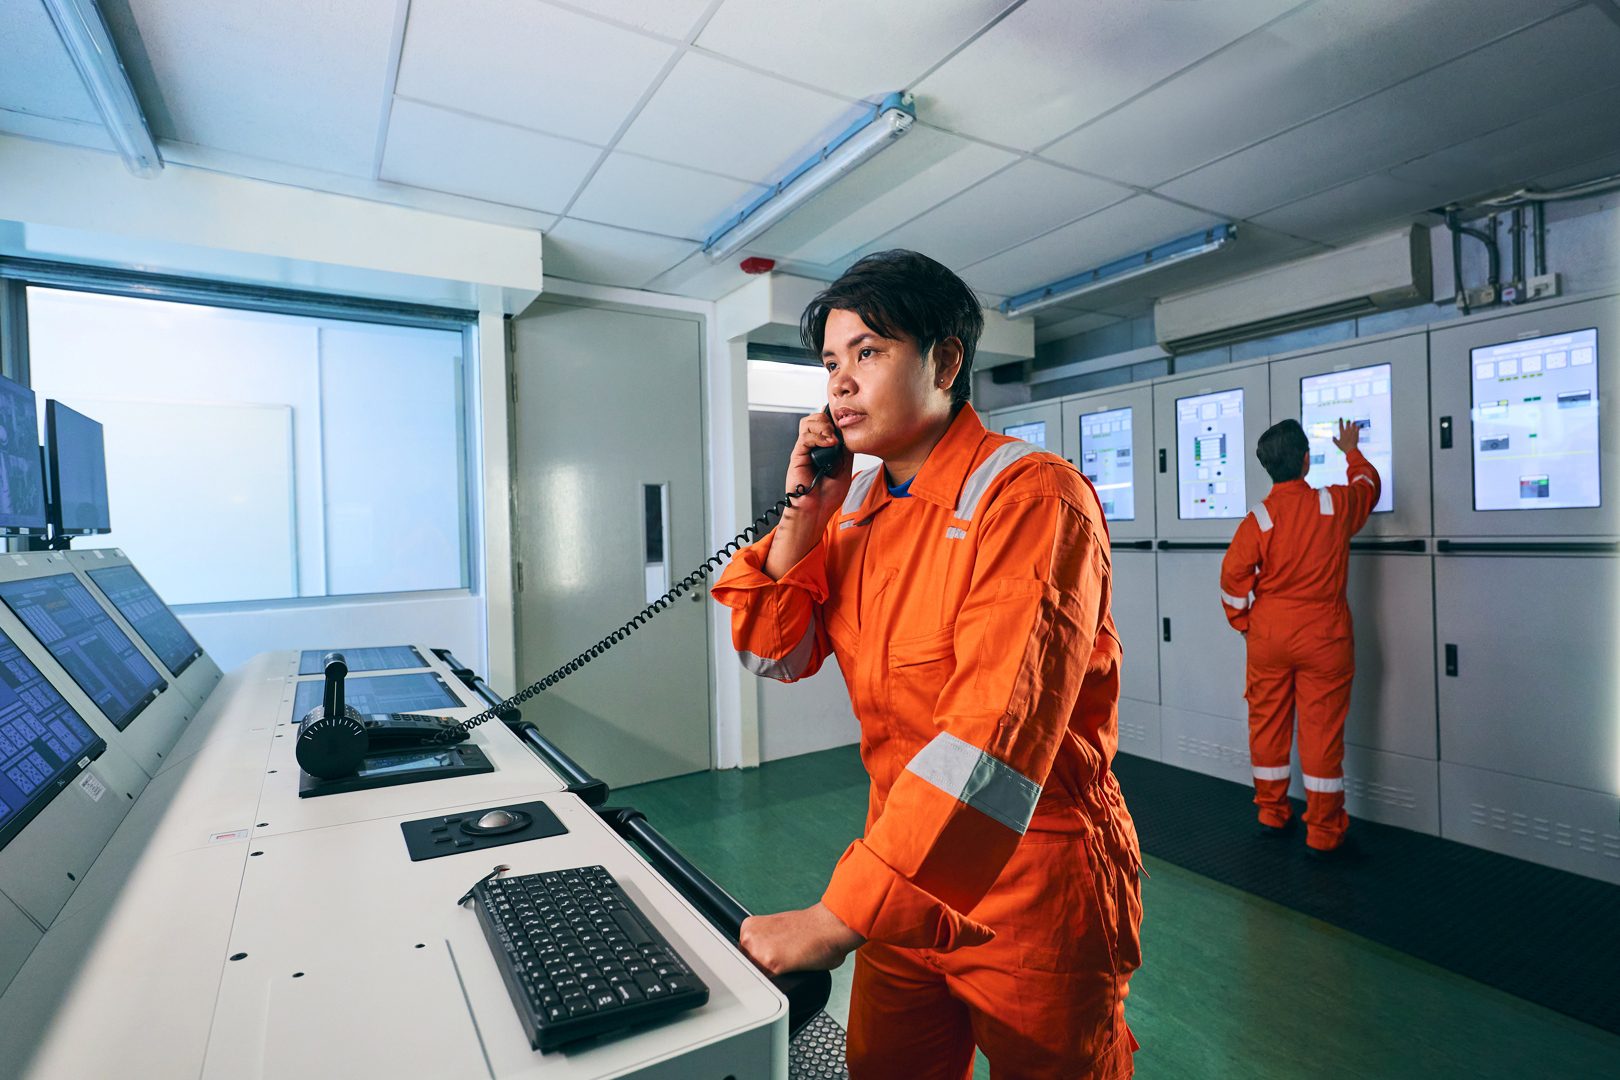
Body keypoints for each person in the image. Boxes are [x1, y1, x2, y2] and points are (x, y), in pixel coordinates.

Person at [710, 250, 1142, 1079]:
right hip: (901, 873)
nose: (839, 383)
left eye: (868, 353)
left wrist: (837, 917)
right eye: (831, 363)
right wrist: (805, 512)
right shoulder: (859, 510)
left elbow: (995, 736)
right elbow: (773, 652)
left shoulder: (1032, 498)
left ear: (945, 360)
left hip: (1032, 886)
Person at [1219, 417, 1381, 857]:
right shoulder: (1335, 505)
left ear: (1268, 467)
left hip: (1269, 635)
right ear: (1307, 461)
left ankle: (1272, 815)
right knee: (1321, 732)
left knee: (1267, 725)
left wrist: (1245, 622)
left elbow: (1233, 578)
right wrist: (1351, 451)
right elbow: (1369, 485)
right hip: (1325, 637)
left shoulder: (1260, 518)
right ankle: (1324, 833)